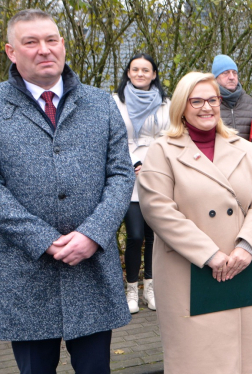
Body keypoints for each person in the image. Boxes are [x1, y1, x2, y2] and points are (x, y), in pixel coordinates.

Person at [0, 9, 135, 374]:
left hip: (90, 267)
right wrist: (43, 240)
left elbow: (121, 175)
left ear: (63, 44)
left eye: (52, 40)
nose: (45, 49)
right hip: (24, 271)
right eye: (32, 42)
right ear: (11, 51)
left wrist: (93, 234)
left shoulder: (100, 102)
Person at [137, 71, 252, 374]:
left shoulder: (245, 149)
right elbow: (158, 210)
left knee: (225, 350)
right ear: (182, 107)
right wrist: (209, 254)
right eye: (196, 101)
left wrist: (246, 247)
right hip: (188, 268)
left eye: (212, 99)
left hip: (236, 264)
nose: (206, 107)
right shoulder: (161, 151)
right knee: (194, 355)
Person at [113, 53, 170, 313]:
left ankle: (151, 287)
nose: (140, 74)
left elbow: (169, 137)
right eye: (134, 69)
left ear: (154, 74)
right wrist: (132, 162)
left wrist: (154, 163)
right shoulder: (115, 102)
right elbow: (113, 139)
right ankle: (131, 290)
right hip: (128, 174)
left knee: (154, 236)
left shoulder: (165, 104)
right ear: (128, 72)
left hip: (157, 173)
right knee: (135, 236)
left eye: (145, 70)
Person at [211, 54, 252, 140]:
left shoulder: (249, 102)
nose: (232, 77)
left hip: (246, 153)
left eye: (234, 73)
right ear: (215, 78)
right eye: (226, 73)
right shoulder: (209, 103)